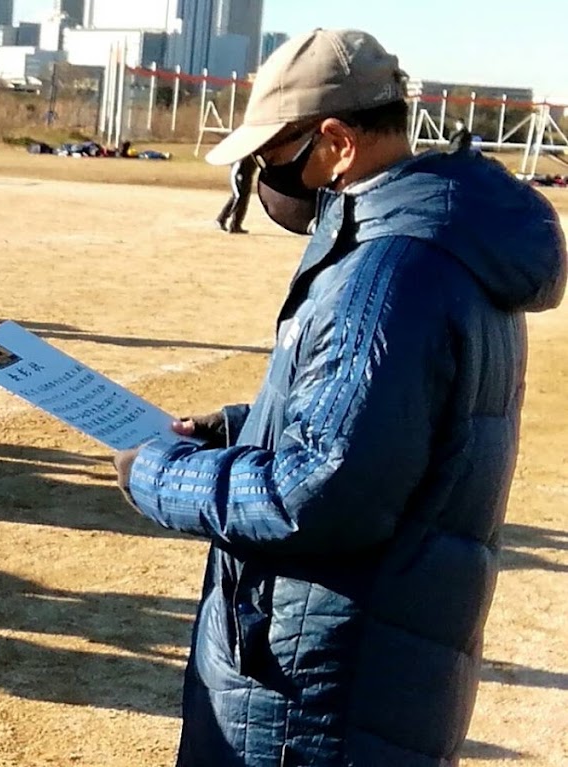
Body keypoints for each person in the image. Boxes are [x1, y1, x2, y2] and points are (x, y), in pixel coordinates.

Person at [113, 29, 567, 766]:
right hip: (381, 654)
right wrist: (241, 428)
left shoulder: (386, 274)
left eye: (273, 154)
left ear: (336, 142)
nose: (267, 175)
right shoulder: (449, 238)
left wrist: (159, 474)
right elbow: (396, 427)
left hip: (318, 684)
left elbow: (317, 492)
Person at [214, 158, 255, 234]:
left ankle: (235, 225)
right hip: (240, 170)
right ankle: (221, 220)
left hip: (248, 172)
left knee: (244, 198)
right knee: (238, 196)